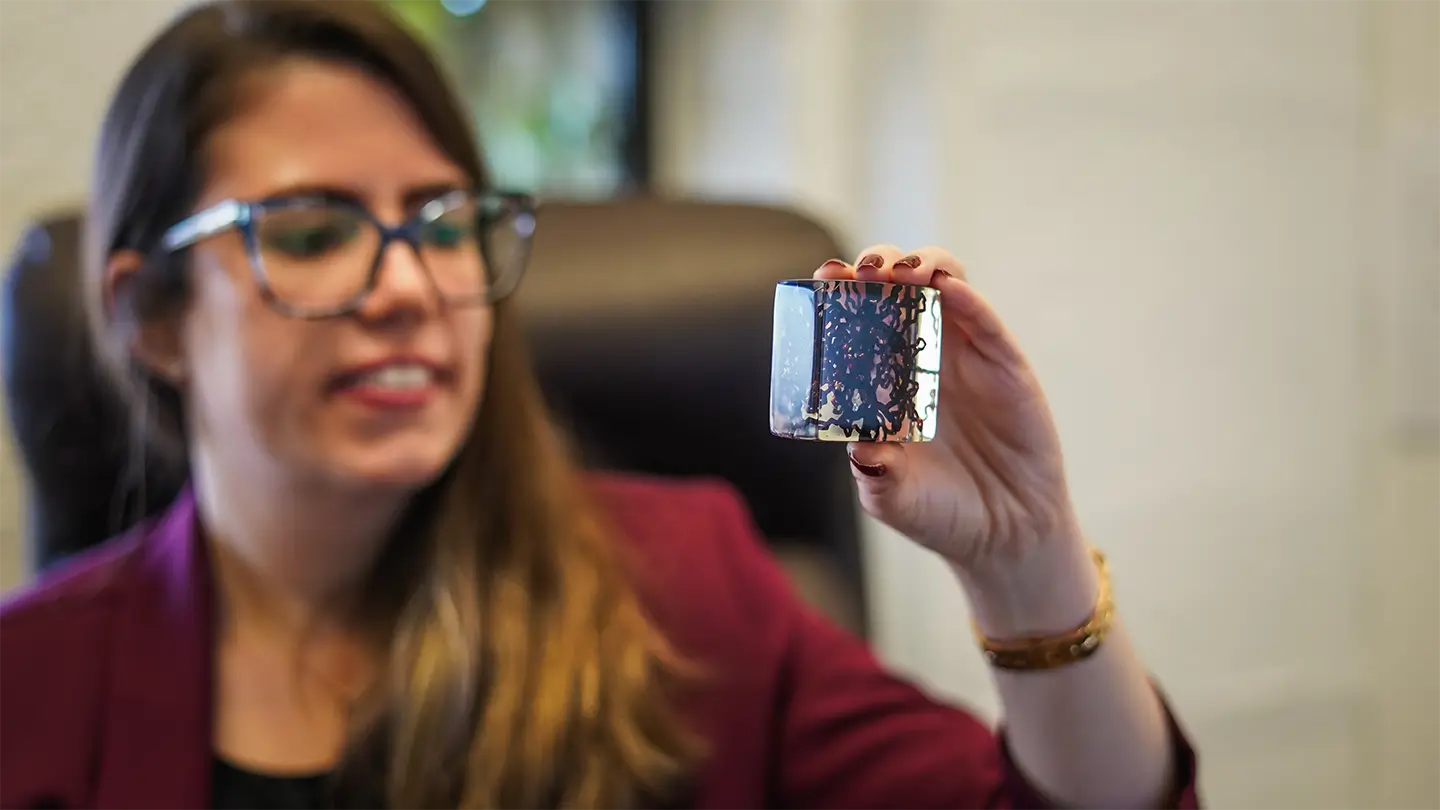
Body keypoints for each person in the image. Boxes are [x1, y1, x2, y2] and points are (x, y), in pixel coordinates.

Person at [0, 0, 1199, 808]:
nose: (412, 287)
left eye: (446, 221)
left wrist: (1028, 562)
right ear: (150, 316)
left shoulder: (686, 585)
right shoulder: (30, 691)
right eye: (311, 231)